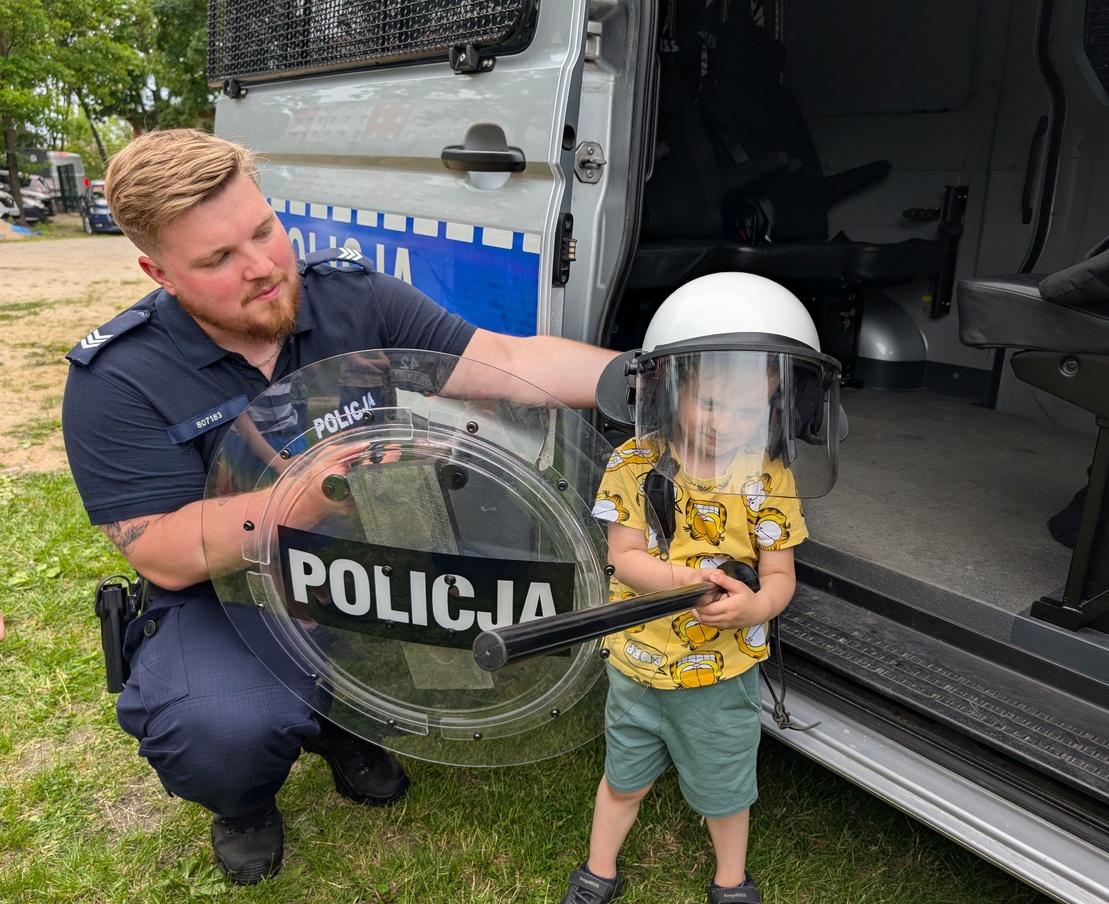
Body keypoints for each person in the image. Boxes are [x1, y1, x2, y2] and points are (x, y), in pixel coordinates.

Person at [60, 128, 620, 885]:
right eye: (218, 260)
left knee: (533, 594)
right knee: (221, 729)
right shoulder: (117, 377)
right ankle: (248, 798)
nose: (262, 267)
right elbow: (160, 547)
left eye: (263, 230)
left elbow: (507, 362)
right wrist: (317, 492)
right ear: (158, 271)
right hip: (233, 590)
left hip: (366, 559)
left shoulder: (350, 295)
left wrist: (645, 375)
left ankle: (340, 715)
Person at [562, 273, 839, 904]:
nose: (724, 423)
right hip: (637, 663)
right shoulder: (634, 463)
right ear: (670, 388)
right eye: (709, 404)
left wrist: (756, 607)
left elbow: (778, 576)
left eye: (748, 410)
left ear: (776, 406)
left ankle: (730, 881)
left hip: (721, 674)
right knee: (622, 779)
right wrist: (686, 580)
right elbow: (626, 558)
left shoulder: (769, 480)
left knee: (725, 789)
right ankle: (598, 870)